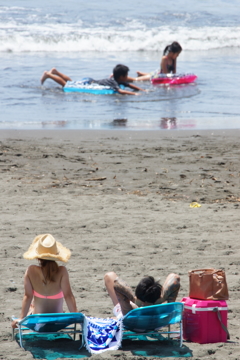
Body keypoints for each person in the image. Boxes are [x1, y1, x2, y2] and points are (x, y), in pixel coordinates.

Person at [11, 234, 77, 329]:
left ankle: (32, 310)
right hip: (57, 323)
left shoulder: (31, 270)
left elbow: (27, 296)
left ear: (38, 257)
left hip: (38, 322)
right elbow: (68, 296)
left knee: (33, 303)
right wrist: (76, 317)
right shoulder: (62, 271)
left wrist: (21, 318)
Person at [104, 271, 180, 318]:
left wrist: (133, 299)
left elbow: (117, 284)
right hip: (157, 319)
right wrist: (162, 298)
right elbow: (175, 277)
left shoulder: (130, 310)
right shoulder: (163, 312)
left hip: (132, 319)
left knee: (109, 275)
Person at [41, 64, 145, 95]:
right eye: (126, 75)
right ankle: (49, 75)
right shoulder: (114, 82)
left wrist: (142, 90)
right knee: (67, 85)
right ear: (121, 76)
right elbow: (121, 91)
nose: (127, 78)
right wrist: (135, 94)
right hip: (89, 83)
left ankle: (56, 72)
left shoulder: (119, 80)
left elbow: (129, 85)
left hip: (90, 80)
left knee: (71, 82)